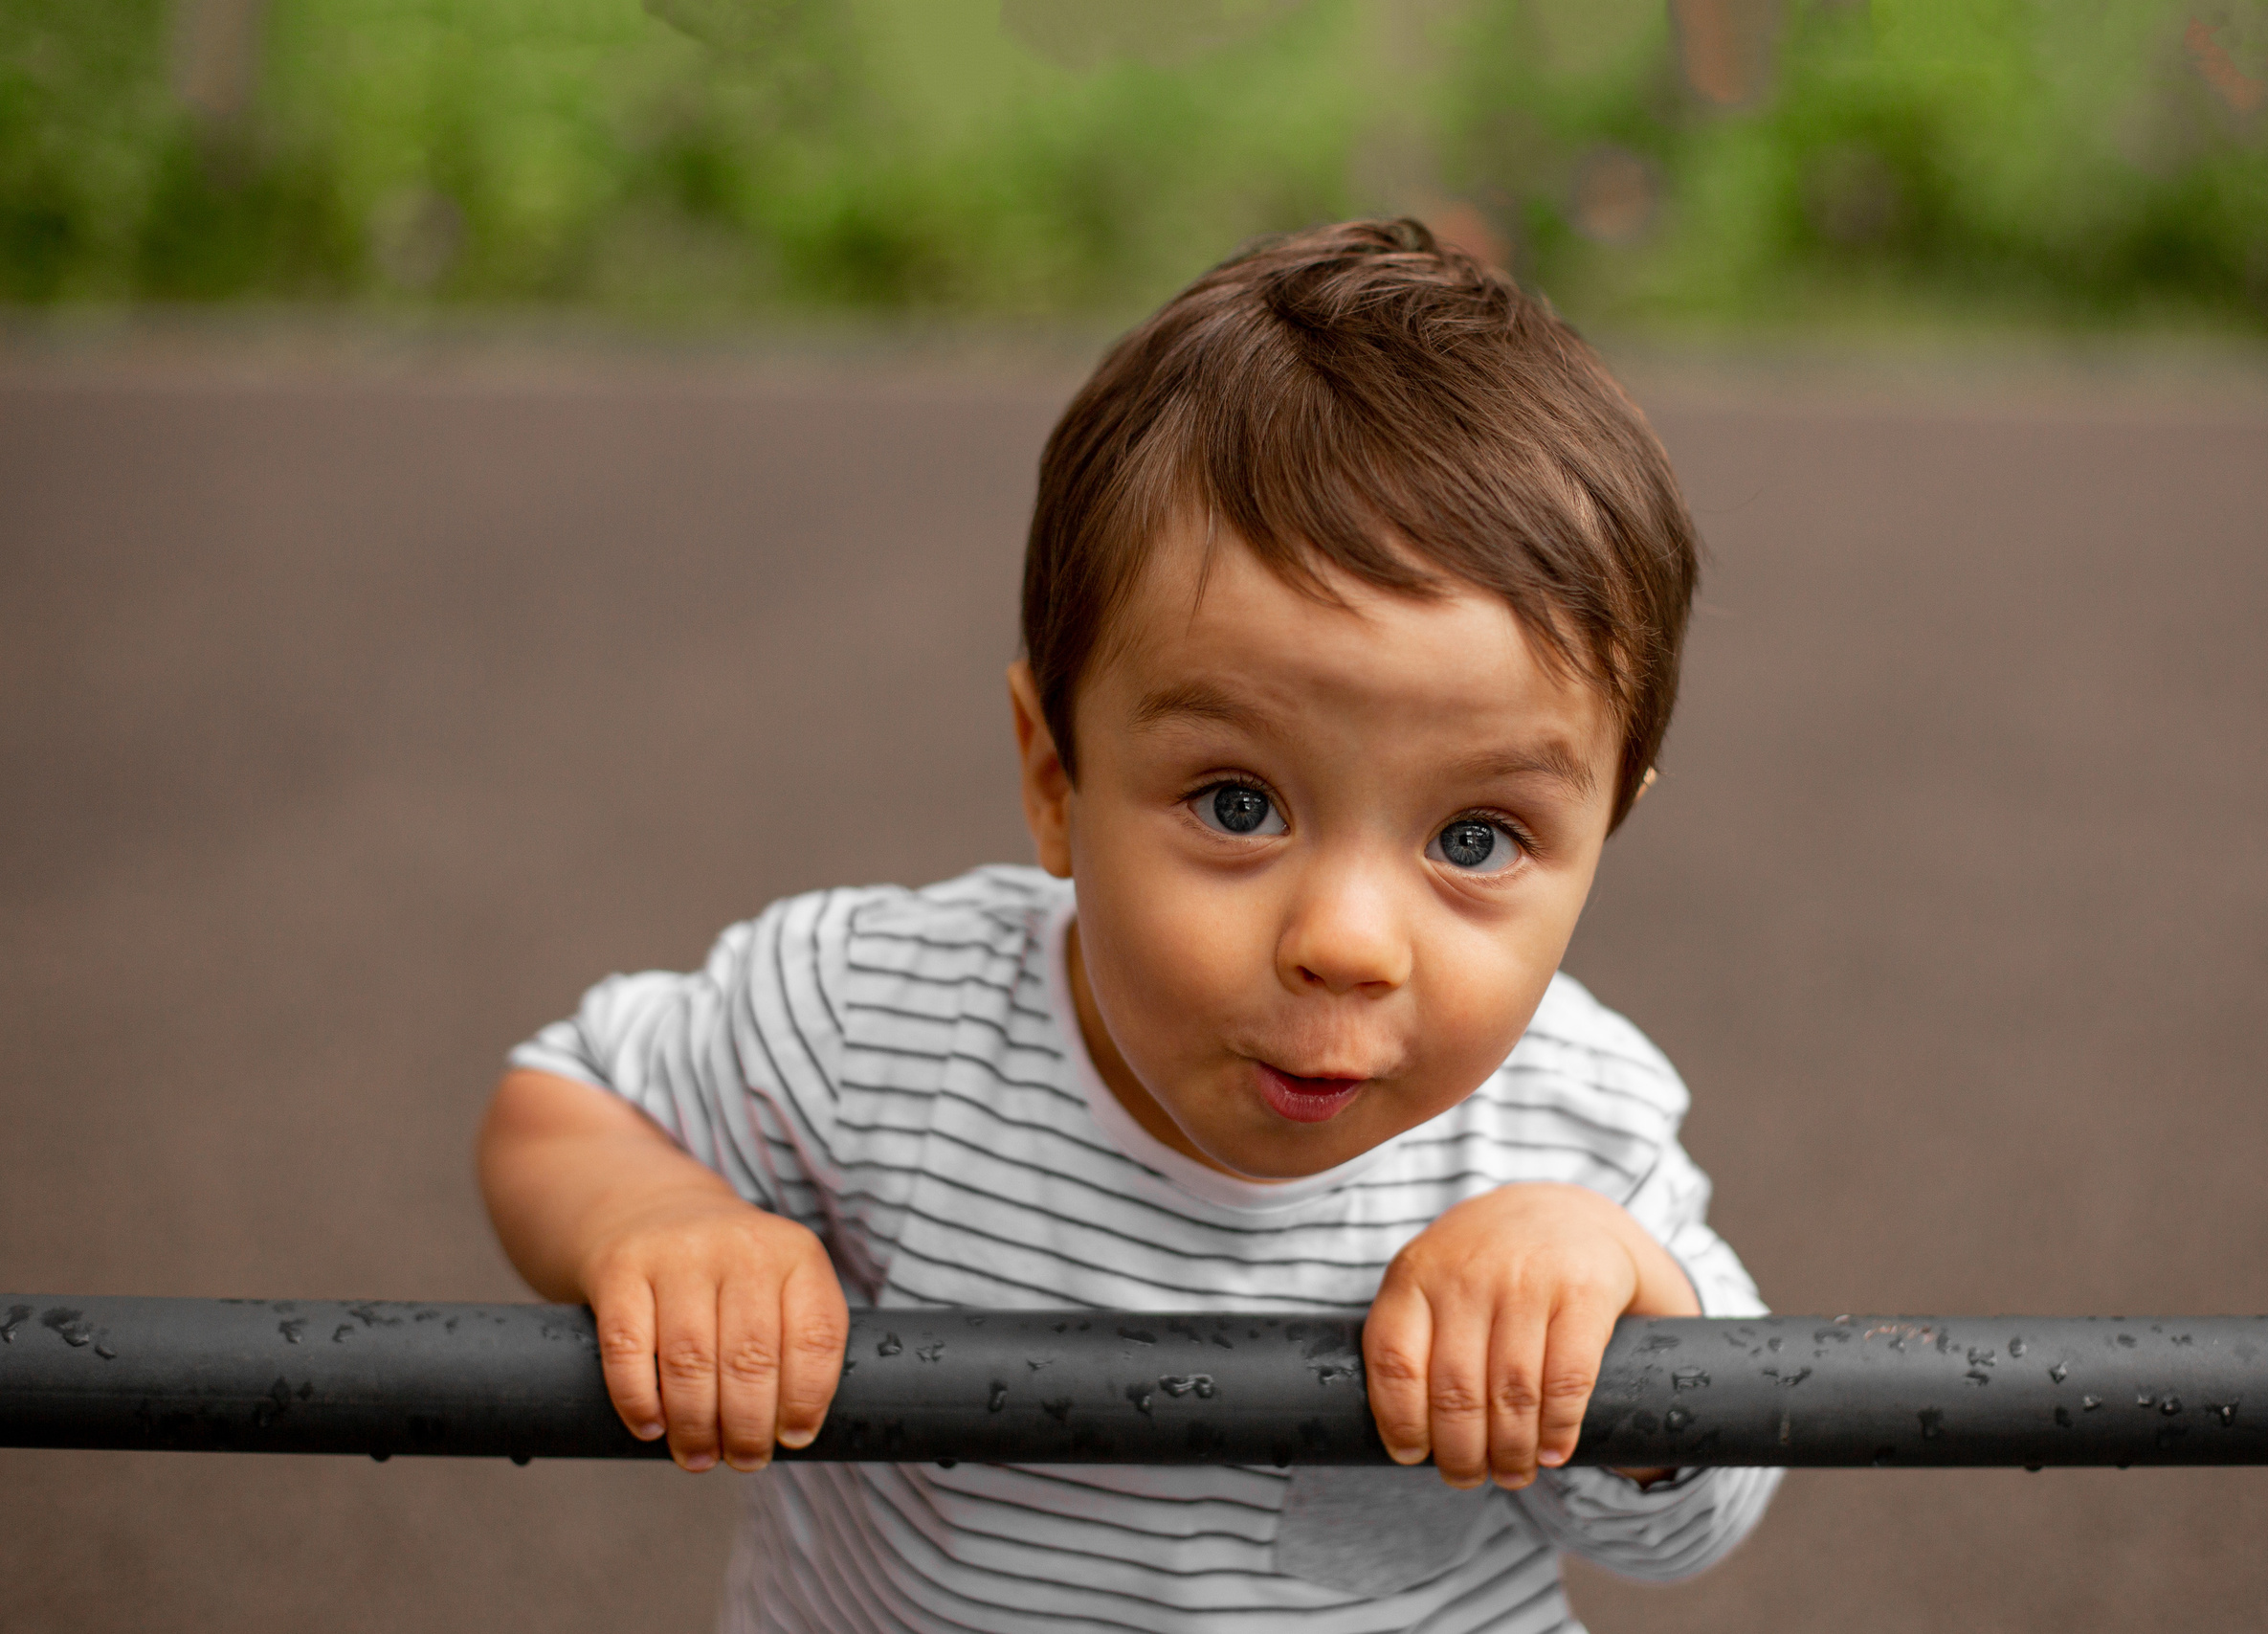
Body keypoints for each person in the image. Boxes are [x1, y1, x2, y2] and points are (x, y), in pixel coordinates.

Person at [477, 217, 1782, 1633]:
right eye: (1236, 805)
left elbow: (1696, 1514)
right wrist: (656, 1219)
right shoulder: (874, 1022)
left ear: (1602, 833)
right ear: (1057, 779)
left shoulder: (1573, 1138)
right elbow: (564, 1100)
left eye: (1475, 839)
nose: (1345, 940)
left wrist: (1618, 1316)